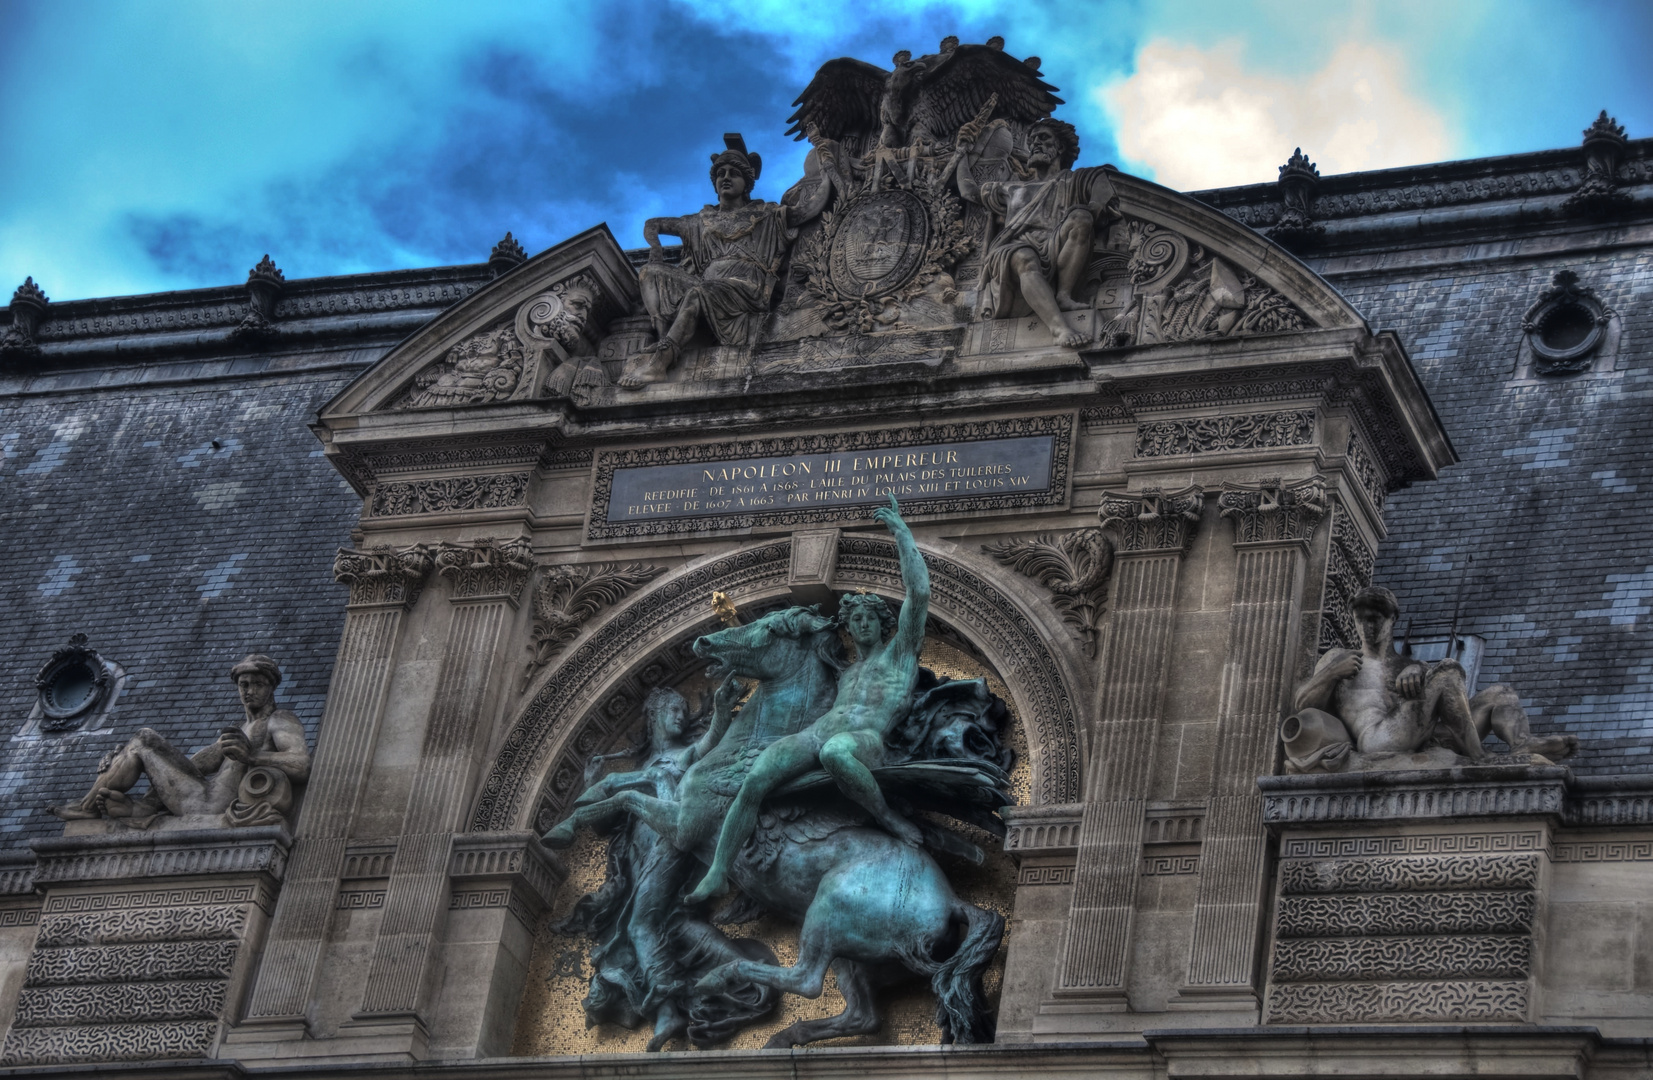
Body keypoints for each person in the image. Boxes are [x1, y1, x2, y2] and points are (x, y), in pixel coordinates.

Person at [684, 494, 929, 904]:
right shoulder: (845, 671)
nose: (863, 623)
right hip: (818, 733)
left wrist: (903, 534)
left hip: (864, 739)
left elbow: (918, 593)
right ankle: (719, 872)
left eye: (870, 616)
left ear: (884, 624)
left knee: (836, 752)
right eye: (855, 619)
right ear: (848, 627)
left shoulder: (900, 654)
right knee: (756, 778)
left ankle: (889, 818)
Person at [622, 133, 833, 389]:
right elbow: (652, 224)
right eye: (720, 173)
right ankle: (664, 338)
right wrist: (655, 248)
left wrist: (828, 169)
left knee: (699, 293)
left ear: (747, 182)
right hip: (707, 284)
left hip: (747, 289)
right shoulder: (700, 220)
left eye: (734, 173)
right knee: (650, 272)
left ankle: (660, 362)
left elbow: (810, 208)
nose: (726, 177)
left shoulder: (766, 215)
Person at [1287, 586, 1578, 771]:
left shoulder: (1409, 664)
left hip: (1424, 735)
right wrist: (1331, 673)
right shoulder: (1339, 657)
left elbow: (1439, 704)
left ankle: (1522, 743)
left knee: (1501, 693)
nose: (1367, 626)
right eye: (1361, 618)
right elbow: (1303, 705)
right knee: (1449, 669)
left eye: (1376, 618)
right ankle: (1481, 758)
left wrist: (1420, 671)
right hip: (1377, 739)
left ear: (1392, 620)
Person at [52, 654, 311, 823]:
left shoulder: (279, 719)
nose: (250, 691)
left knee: (144, 738)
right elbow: (195, 765)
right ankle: (142, 807)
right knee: (141, 745)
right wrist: (125, 760)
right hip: (203, 795)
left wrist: (253, 756)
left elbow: (301, 763)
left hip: (209, 804)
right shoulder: (242, 728)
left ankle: (88, 808)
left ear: (271, 687)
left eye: (258, 684)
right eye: (244, 684)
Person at [954, 116, 1117, 348]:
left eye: (1043, 138)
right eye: (1032, 140)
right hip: (1012, 252)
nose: (1035, 144)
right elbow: (969, 191)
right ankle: (1059, 329)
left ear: (1060, 146)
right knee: (1024, 256)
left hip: (1058, 246)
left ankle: (1064, 294)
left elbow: (1104, 186)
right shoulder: (1012, 188)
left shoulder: (1076, 179)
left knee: (1081, 218)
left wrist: (1093, 210)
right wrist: (961, 153)